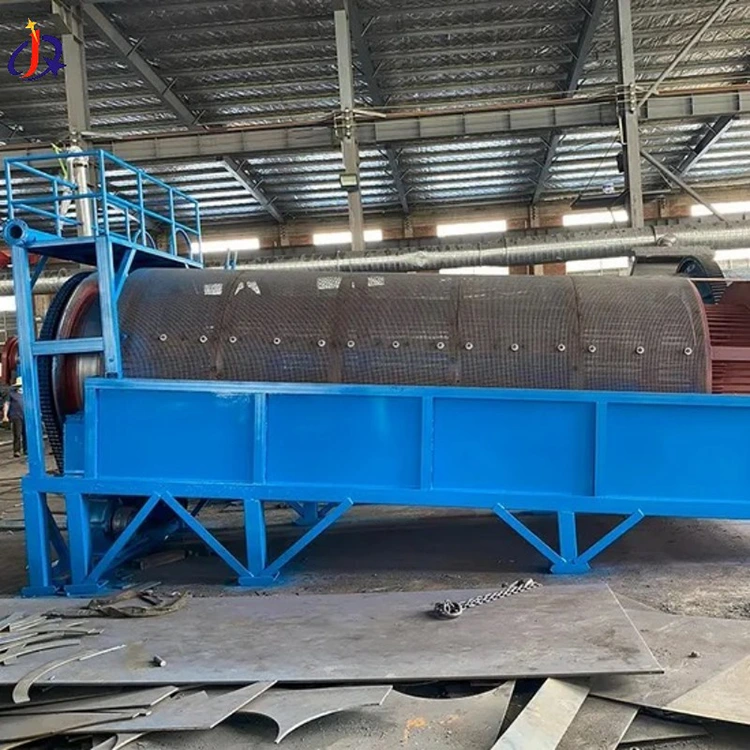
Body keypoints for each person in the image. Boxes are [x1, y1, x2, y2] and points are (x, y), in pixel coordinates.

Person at [2, 377, 26, 458]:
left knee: (26, 433)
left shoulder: (27, 394)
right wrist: (5, 415)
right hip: (16, 415)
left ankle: (26, 449)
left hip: (26, 415)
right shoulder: (11, 394)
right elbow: (7, 404)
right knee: (17, 433)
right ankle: (17, 450)